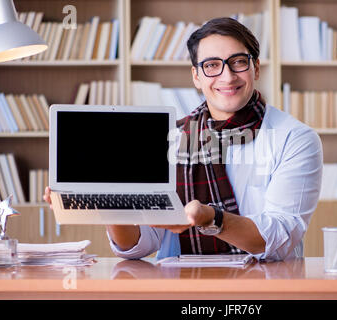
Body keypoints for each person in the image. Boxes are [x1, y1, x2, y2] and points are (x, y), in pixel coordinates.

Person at [44, 17, 322, 261]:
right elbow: (139, 246)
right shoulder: (170, 137)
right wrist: (111, 205)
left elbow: (279, 239)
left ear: (256, 69)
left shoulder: (295, 139)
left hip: (264, 285)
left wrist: (212, 218)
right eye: (212, 65)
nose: (227, 76)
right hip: (178, 283)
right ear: (196, 76)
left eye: (238, 62)